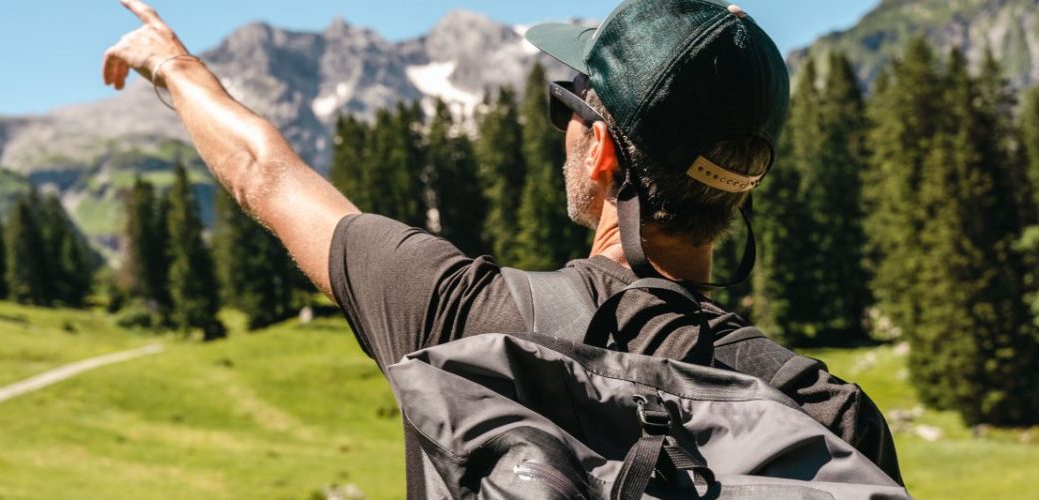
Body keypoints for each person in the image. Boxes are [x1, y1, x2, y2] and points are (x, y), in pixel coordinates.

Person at [102, 0, 901, 495]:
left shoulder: (462, 317)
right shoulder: (836, 419)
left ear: (604, 155)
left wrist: (171, 65)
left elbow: (264, 175)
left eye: (571, 111)